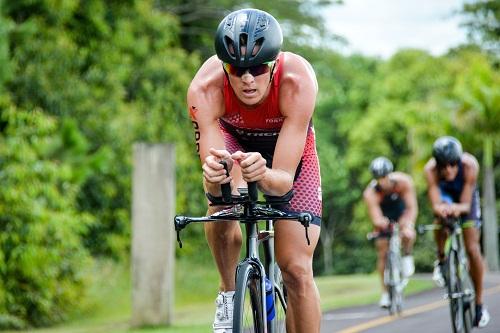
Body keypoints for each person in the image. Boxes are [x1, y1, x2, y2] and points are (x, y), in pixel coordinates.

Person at [187, 8, 322, 333]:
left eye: (258, 68)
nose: (248, 79)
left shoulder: (297, 82)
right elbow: (214, 174)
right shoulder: (204, 90)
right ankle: (228, 291)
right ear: (223, 66)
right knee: (221, 199)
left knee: (296, 270)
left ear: (274, 65)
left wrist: (262, 174)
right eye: (236, 69)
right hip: (233, 138)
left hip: (286, 153)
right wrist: (216, 178)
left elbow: (282, 183)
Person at [424, 136, 490, 328]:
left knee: (472, 249)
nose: (448, 170)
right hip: (445, 195)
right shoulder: (430, 170)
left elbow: (466, 204)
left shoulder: (470, 166)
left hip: (465, 197)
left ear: (459, 161)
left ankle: (479, 305)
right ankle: (442, 258)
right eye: (443, 166)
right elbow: (435, 202)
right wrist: (443, 209)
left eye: (453, 164)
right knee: (440, 221)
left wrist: (457, 209)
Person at [363, 157, 417, 308]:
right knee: (382, 250)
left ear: (390, 174)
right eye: (378, 178)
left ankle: (407, 255)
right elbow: (376, 217)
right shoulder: (370, 193)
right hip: (384, 216)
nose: (382, 181)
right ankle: (385, 293)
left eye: (385, 177)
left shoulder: (404, 182)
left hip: (401, 212)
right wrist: (382, 223)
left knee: (408, 234)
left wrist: (407, 224)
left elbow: (411, 207)